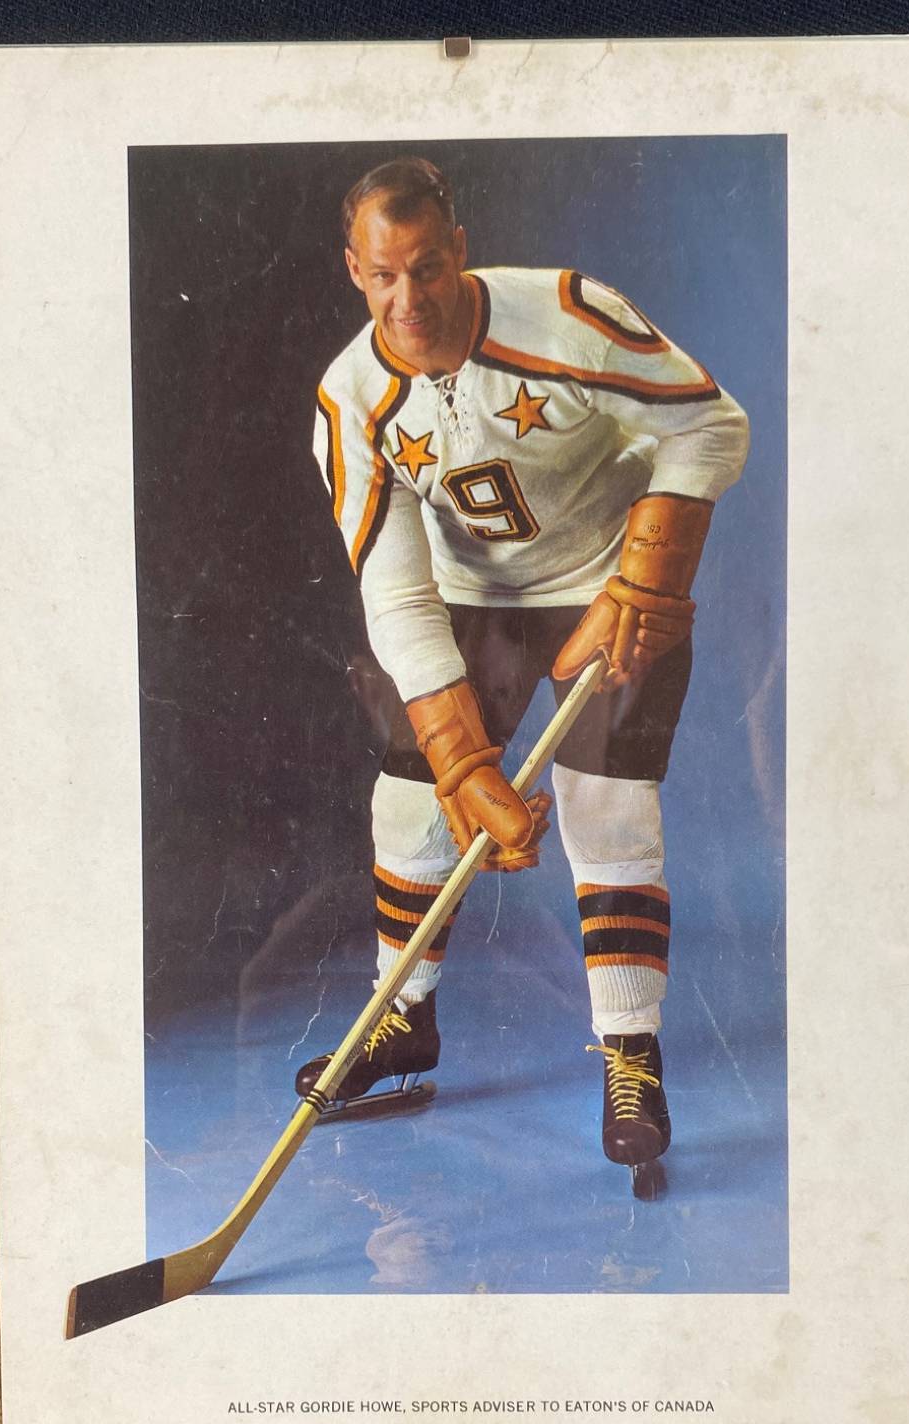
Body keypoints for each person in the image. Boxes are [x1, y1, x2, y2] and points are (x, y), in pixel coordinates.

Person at [297, 157, 749, 1176]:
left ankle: (629, 1050)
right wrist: (460, 759)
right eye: (383, 277)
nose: (408, 300)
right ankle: (401, 1017)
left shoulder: (569, 315)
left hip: (607, 581)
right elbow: (395, 591)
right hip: (473, 599)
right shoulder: (350, 399)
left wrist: (647, 575)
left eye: (426, 267)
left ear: (458, 251)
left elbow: (711, 423)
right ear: (355, 272)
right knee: (412, 805)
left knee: (606, 811)